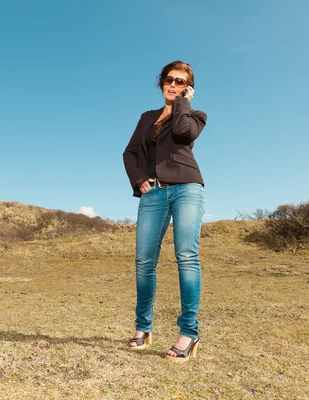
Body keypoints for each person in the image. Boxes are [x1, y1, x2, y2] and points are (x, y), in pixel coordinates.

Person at [123, 60, 207, 362]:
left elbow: (184, 133)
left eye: (182, 82)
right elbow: (130, 152)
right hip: (153, 193)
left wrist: (182, 103)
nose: (174, 85)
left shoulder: (196, 115)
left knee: (186, 256)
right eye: (170, 80)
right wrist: (138, 179)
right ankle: (142, 328)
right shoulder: (147, 117)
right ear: (161, 83)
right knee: (144, 261)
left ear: (189, 88)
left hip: (187, 188)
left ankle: (189, 332)